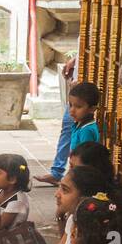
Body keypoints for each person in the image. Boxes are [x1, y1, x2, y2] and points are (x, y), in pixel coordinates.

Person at [34, 52, 77, 186]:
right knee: (67, 129)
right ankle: (57, 172)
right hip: (76, 90)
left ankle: (74, 174)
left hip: (84, 91)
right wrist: (75, 60)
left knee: (79, 136)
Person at [65, 82, 101, 151]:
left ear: (92, 109)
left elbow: (85, 158)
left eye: (78, 107)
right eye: (70, 105)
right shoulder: (79, 125)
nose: (72, 110)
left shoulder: (86, 131)